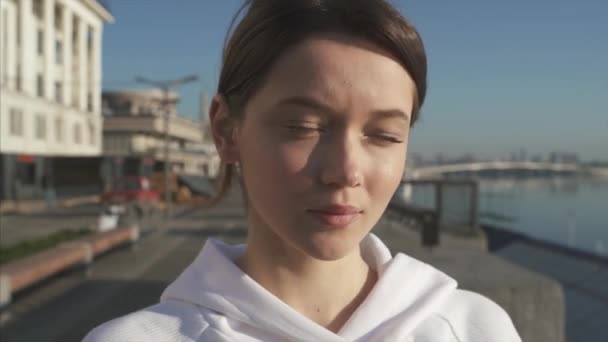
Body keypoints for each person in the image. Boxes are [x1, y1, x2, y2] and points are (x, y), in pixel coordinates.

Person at [85, 0, 522, 341]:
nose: (345, 171)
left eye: (385, 135)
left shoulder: (475, 329)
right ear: (226, 130)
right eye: (303, 127)